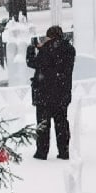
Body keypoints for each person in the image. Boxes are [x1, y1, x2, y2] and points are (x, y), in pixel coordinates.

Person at [27, 24, 74, 161]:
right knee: (61, 124)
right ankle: (63, 152)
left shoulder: (46, 50)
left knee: (43, 125)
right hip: (62, 94)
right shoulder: (70, 50)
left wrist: (32, 48)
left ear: (50, 36)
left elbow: (32, 62)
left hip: (44, 95)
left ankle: (42, 153)